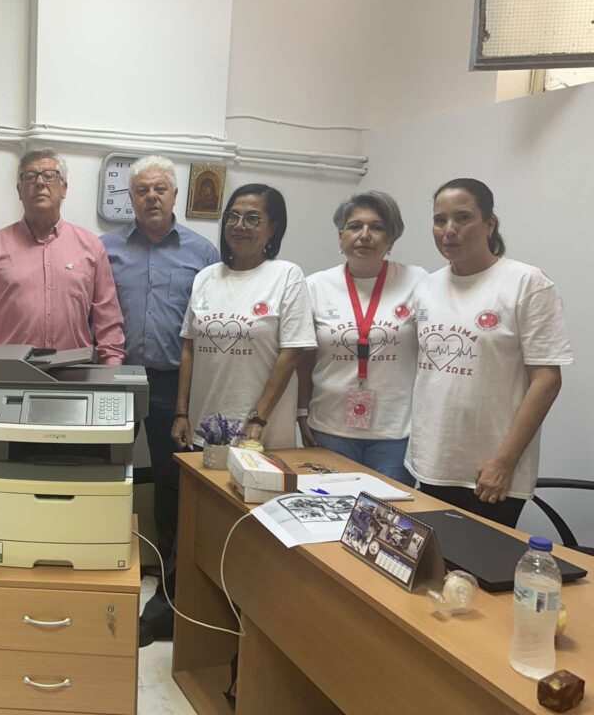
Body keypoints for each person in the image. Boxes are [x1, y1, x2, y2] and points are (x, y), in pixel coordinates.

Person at [407, 178, 572, 527]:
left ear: (489, 223)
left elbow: (547, 381)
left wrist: (504, 462)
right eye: (439, 220)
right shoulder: (426, 287)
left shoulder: (527, 283)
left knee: (480, 560)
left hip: (490, 472)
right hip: (432, 463)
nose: (449, 230)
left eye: (463, 218)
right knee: (434, 559)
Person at [100, 156, 218, 647]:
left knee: (173, 485)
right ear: (129, 198)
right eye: (142, 189)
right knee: (104, 475)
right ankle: (102, 567)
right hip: (115, 377)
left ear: (174, 196)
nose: (151, 196)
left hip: (175, 385)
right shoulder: (105, 248)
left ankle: (168, 595)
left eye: (160, 189)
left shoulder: (203, 252)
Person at [0, 148, 125, 425]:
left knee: (75, 452)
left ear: (64, 188)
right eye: (30, 176)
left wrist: (112, 379)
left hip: (76, 383)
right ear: (19, 190)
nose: (39, 182)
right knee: (10, 453)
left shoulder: (91, 248)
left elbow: (109, 323)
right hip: (9, 384)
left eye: (49, 175)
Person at [172, 184, 315, 452]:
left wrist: (258, 417)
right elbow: (189, 347)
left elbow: (292, 352)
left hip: (260, 431)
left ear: (273, 228)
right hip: (204, 427)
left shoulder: (287, 275)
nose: (239, 226)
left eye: (252, 218)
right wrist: (181, 413)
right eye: (233, 216)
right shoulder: (206, 277)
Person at [296, 192, 426, 485]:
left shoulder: (417, 281)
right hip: (330, 426)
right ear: (340, 236)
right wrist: (301, 411)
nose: (364, 235)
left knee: (388, 512)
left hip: (395, 432)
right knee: (330, 506)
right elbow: (304, 359)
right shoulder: (315, 286)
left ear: (391, 240)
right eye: (355, 226)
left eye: (377, 227)